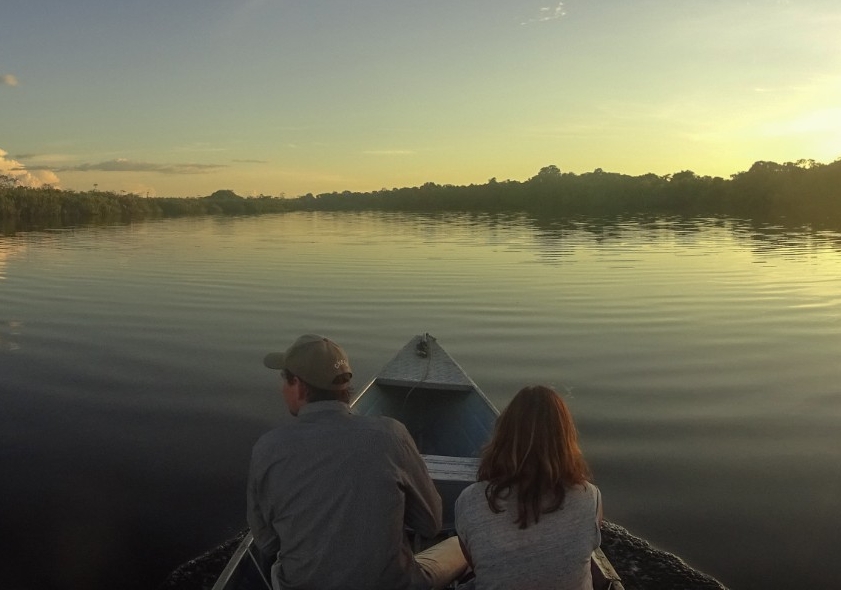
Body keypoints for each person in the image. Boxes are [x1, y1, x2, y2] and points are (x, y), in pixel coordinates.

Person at [247, 334, 467, 590]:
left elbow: (268, 543)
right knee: (458, 545)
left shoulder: (268, 448)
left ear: (298, 385)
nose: (281, 387)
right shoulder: (391, 434)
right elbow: (431, 525)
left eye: (283, 378)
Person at [454, 385, 602, 590]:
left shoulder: (469, 500)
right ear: (566, 438)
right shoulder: (590, 497)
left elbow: (476, 565)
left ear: (503, 434)